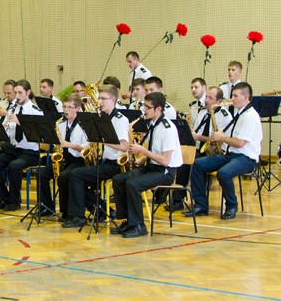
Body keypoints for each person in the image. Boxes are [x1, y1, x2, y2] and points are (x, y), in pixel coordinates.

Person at [184, 82, 261, 219]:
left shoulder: (250, 116)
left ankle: (231, 205)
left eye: (235, 96)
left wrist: (222, 137)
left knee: (224, 173)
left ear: (245, 97)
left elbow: (240, 143)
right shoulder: (240, 113)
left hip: (246, 158)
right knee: (197, 164)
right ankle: (200, 205)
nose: (231, 99)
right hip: (232, 155)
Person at [110, 92, 183, 238]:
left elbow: (165, 160)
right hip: (152, 167)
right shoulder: (153, 124)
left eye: (148, 107)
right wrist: (142, 159)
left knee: (133, 184)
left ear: (158, 109)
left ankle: (139, 226)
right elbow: (154, 150)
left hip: (165, 172)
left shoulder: (167, 128)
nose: (144, 110)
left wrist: (142, 151)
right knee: (119, 179)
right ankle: (128, 220)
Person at [61, 85, 129, 228]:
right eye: (99, 98)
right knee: (75, 178)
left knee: (76, 175)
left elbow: (124, 147)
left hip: (117, 165)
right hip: (105, 161)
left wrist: (103, 140)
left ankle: (79, 216)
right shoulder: (102, 118)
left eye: (103, 99)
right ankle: (102, 211)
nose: (100, 102)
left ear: (113, 100)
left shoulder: (120, 119)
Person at [168, 86, 232, 211]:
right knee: (183, 160)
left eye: (210, 98)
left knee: (193, 163)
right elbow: (196, 133)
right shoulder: (202, 112)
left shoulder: (225, 116)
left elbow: (220, 140)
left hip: (216, 152)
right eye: (206, 97)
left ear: (219, 101)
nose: (206, 100)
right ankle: (178, 200)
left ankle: (199, 203)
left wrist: (198, 137)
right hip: (199, 149)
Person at [0, 79, 43, 211]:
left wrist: (20, 123)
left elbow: (38, 136)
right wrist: (2, 129)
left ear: (28, 92)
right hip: (15, 149)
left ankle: (14, 201)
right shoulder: (13, 108)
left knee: (14, 166)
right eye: (16, 92)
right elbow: (9, 134)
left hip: (30, 152)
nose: (17, 96)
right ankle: (4, 198)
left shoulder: (35, 111)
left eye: (20, 93)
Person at [36, 94, 89, 218]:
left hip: (78, 160)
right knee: (41, 173)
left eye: (70, 107)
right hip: (63, 159)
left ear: (78, 108)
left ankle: (67, 212)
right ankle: (46, 207)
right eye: (64, 107)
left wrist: (69, 145)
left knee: (64, 177)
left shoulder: (84, 125)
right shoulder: (60, 124)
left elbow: (86, 149)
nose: (66, 110)